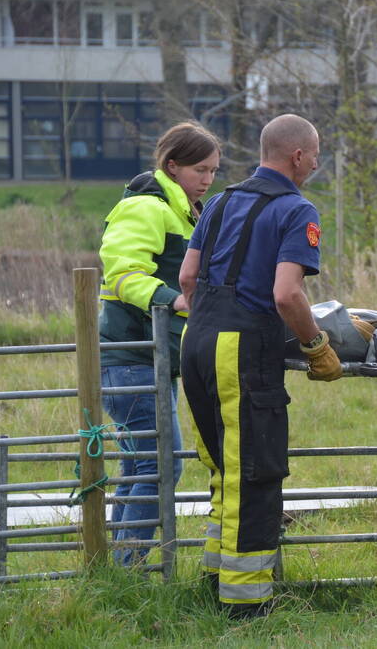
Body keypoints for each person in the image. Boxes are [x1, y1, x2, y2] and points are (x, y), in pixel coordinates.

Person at [179, 114, 341, 619]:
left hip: (196, 340)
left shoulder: (222, 200)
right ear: (297, 156)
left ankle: (214, 578)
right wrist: (315, 346)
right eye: (315, 154)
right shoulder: (297, 209)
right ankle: (246, 606)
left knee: (223, 471)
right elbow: (287, 293)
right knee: (253, 473)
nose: (317, 162)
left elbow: (187, 277)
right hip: (240, 349)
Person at [98, 121, 221, 567]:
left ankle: (117, 565)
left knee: (141, 465)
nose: (207, 180)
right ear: (173, 166)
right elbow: (124, 273)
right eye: (199, 170)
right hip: (131, 353)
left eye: (213, 171)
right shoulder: (146, 208)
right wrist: (176, 300)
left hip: (152, 357)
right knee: (160, 465)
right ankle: (127, 564)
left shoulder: (183, 211)